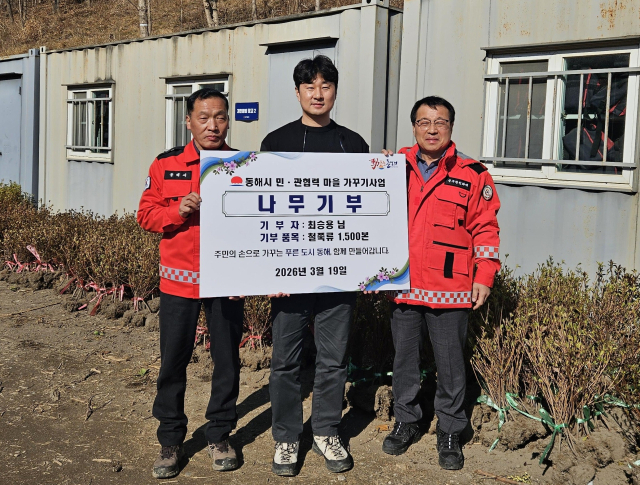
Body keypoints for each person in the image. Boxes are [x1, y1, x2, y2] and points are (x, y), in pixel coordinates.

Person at [260, 55, 369, 477]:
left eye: (325, 86)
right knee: (285, 361)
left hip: (338, 276)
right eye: (309, 86)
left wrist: (384, 171)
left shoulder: (353, 144)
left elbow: (365, 212)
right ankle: (287, 437)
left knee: (334, 359)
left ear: (335, 91)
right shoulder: (276, 141)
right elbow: (266, 210)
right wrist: (269, 271)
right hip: (289, 276)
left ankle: (326, 430)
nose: (318, 94)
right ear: (297, 92)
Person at [381, 96, 500, 470]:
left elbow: (485, 228)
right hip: (403, 283)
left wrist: (484, 275)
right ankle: (406, 421)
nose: (432, 129)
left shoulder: (473, 173)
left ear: (451, 127)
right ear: (413, 127)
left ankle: (450, 430)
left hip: (451, 285)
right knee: (404, 360)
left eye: (440, 122)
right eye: (424, 122)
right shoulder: (393, 168)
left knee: (450, 365)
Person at [138, 88, 245, 479]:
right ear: (188, 121)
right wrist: (176, 211)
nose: (212, 125)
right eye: (204, 117)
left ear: (228, 121)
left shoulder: (243, 164)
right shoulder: (165, 164)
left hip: (225, 282)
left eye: (220, 117)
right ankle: (170, 440)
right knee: (173, 361)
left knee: (227, 361)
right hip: (178, 283)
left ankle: (219, 434)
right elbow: (145, 215)